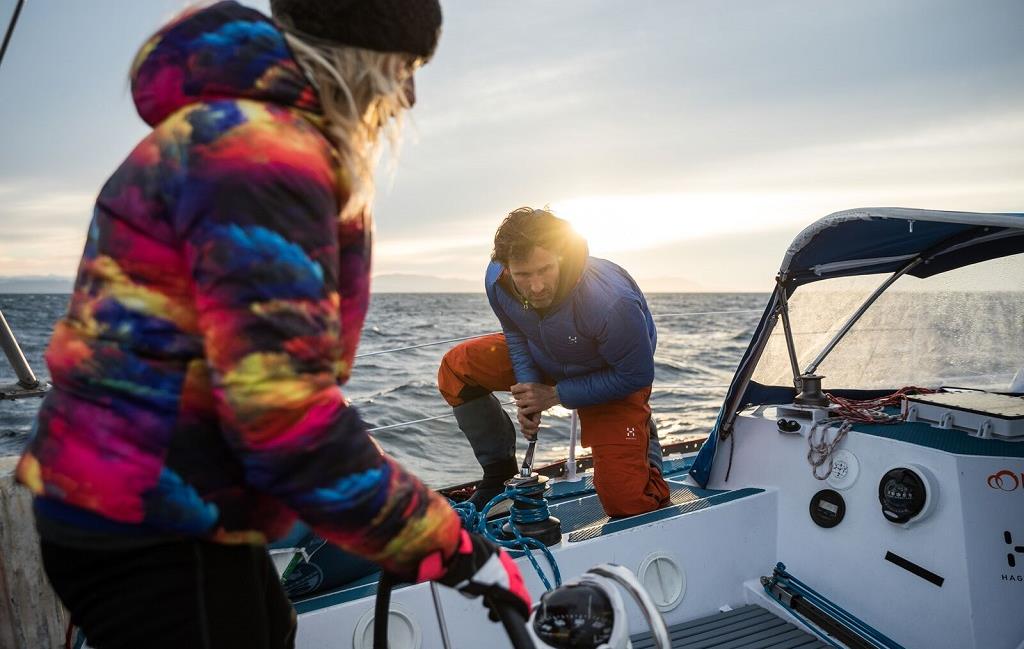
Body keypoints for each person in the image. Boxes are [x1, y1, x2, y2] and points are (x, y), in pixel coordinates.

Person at [15, 2, 529, 648]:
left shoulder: (230, 133)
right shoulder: (263, 157)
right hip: (152, 519)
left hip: (162, 498)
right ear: (357, 57)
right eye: (404, 68)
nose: (409, 96)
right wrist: (458, 548)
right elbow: (284, 420)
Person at [438, 207, 671, 517]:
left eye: (545, 269)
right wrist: (528, 393)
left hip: (611, 374)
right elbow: (517, 334)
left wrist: (555, 395)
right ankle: (498, 479)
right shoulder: (497, 281)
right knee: (457, 368)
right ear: (506, 268)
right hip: (546, 354)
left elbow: (636, 375)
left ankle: (645, 444)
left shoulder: (611, 302)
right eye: (523, 275)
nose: (536, 287)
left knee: (628, 503)